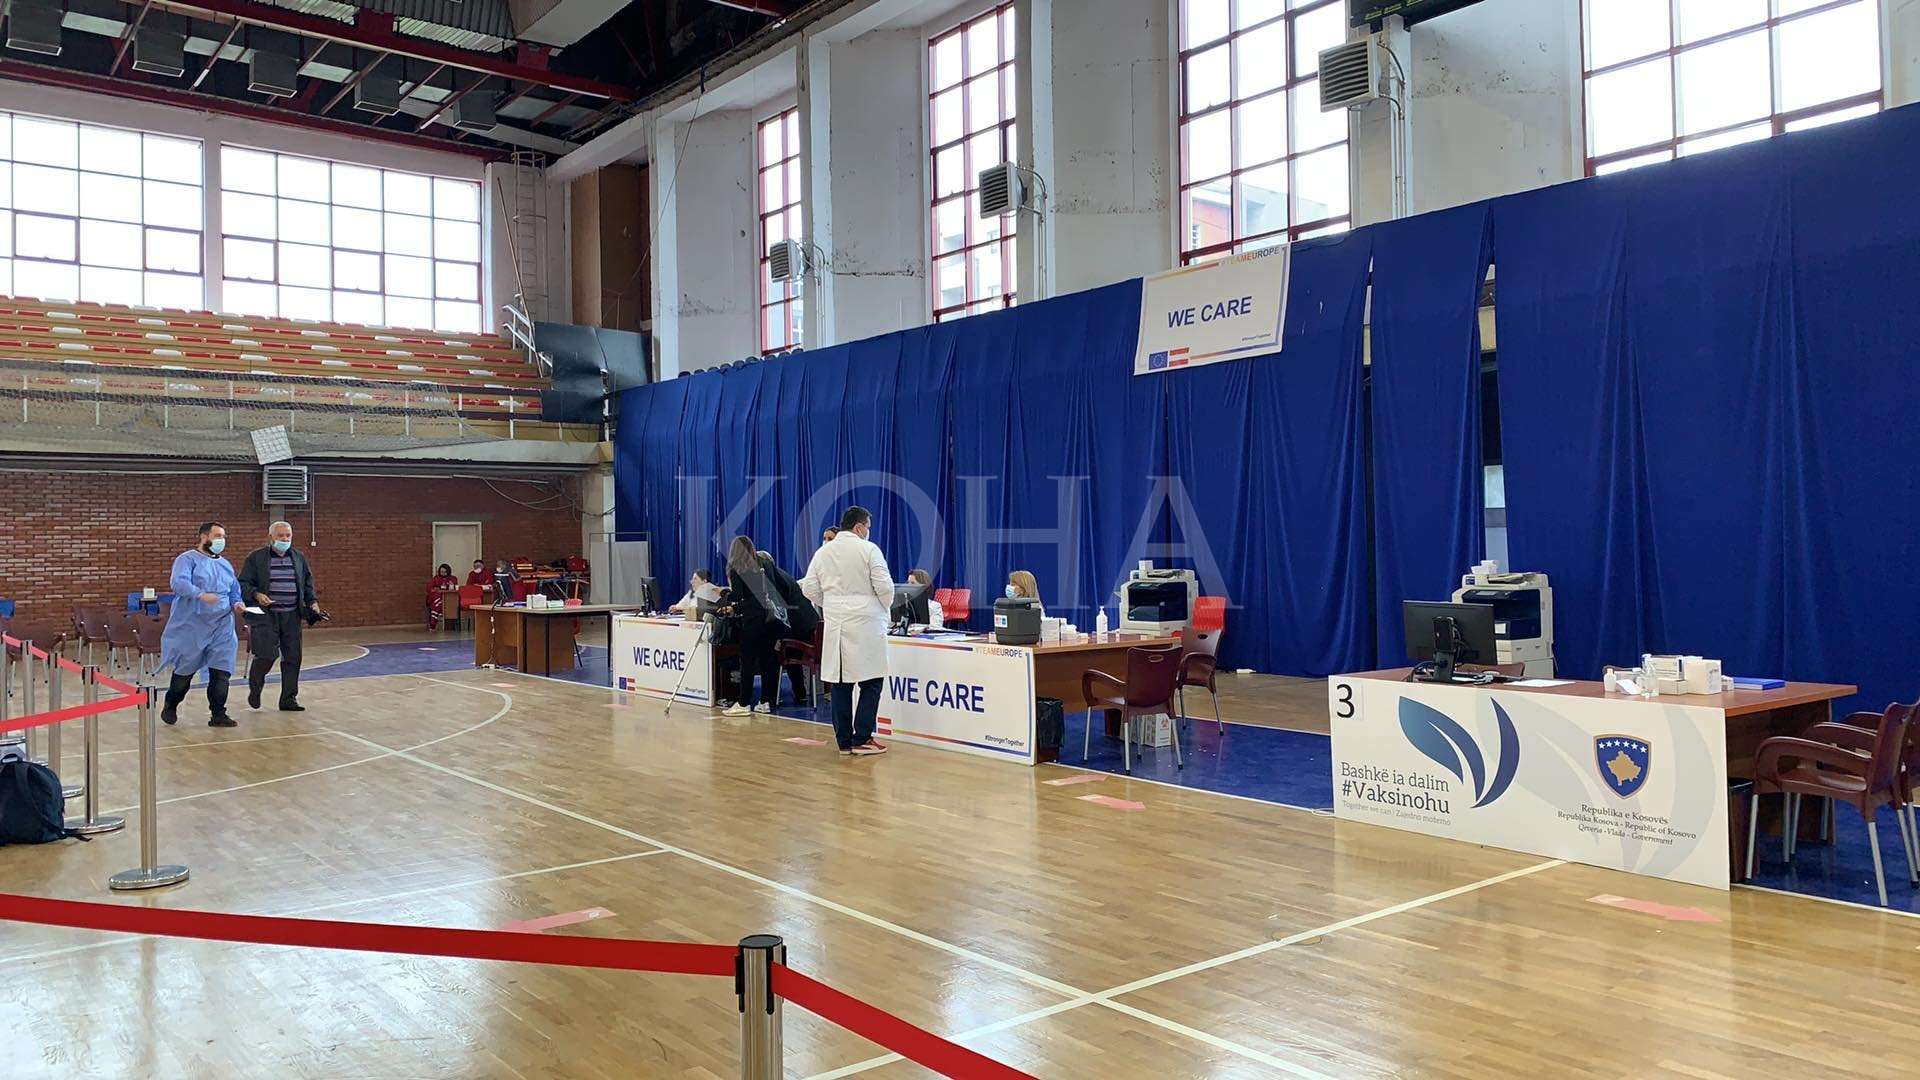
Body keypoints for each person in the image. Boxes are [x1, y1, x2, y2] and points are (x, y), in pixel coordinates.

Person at [800, 507, 892, 756]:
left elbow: (809, 588)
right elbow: (885, 587)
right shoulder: (869, 550)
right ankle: (862, 738)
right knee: (872, 682)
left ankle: (844, 742)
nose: (868, 532)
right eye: (868, 527)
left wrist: (831, 603)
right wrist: (881, 608)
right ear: (859, 527)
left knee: (840, 684)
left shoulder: (823, 552)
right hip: (866, 625)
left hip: (837, 624)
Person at [160, 521, 245, 727]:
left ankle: (218, 713)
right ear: (204, 537)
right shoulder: (187, 559)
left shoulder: (225, 564)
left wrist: (237, 603)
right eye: (217, 536)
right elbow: (178, 583)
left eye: (223, 537)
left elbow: (234, 589)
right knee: (185, 669)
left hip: (222, 624)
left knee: (221, 669)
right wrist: (200, 594)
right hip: (193, 623)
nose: (221, 541)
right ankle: (171, 704)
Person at [238, 520, 328, 713]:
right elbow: (243, 584)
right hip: (266, 616)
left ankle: (288, 699)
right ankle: (255, 687)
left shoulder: (298, 557)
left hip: (292, 616)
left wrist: (312, 602)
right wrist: (256, 594)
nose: (285, 539)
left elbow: (307, 582)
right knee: (266, 655)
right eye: (281, 536)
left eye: (288, 536)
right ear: (270, 537)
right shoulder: (256, 558)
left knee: (293, 658)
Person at [722, 536, 804, 717]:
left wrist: (726, 598)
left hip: (752, 621)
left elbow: (738, 597)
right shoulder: (765, 564)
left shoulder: (737, 568)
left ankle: (743, 703)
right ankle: (765, 702)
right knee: (768, 661)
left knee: (747, 662)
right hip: (771, 619)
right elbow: (781, 585)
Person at [427, 563, 460, 630]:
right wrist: (435, 589)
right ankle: (434, 620)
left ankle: (439, 614)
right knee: (437, 602)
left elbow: (455, 588)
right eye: (441, 572)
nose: (443, 573)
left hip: (448, 598)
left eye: (444, 572)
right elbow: (429, 588)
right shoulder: (436, 578)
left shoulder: (453, 578)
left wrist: (451, 585)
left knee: (447, 602)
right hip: (436, 597)